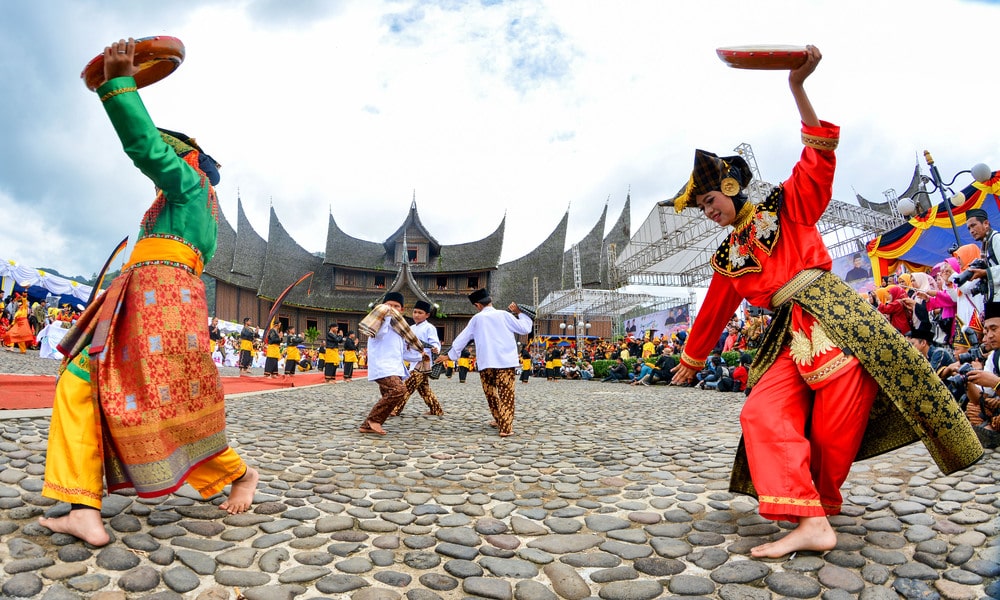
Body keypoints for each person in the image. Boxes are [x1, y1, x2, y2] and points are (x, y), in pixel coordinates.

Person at [667, 46, 981, 559]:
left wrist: (798, 89)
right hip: (789, 332)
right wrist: (691, 357)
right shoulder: (728, 256)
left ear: (729, 185)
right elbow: (714, 309)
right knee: (762, 412)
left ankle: (817, 510)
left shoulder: (786, 205)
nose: (707, 212)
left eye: (708, 201)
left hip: (837, 316)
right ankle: (809, 514)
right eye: (701, 207)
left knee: (835, 425)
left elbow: (817, 159)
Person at [39, 38, 259, 547]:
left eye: (172, 154)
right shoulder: (176, 209)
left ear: (189, 161)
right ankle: (82, 507)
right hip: (143, 303)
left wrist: (118, 84)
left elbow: (146, 148)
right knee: (86, 383)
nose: (162, 164)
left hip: (161, 309)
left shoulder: (187, 187)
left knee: (162, 403)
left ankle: (237, 473)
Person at [436, 289, 532, 437]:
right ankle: (505, 427)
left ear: (477, 305)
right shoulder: (504, 315)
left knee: (491, 393)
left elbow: (463, 338)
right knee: (506, 394)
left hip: (486, 362)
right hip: (505, 362)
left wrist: (448, 355)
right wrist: (520, 313)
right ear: (490, 301)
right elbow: (525, 328)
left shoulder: (477, 319)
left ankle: (499, 418)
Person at [358, 292, 423, 434]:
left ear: (402, 310)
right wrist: (386, 316)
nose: (392, 308)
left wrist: (420, 356)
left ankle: (368, 426)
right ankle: (373, 420)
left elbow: (403, 352)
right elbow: (379, 334)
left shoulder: (400, 329)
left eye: (396, 306)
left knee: (391, 395)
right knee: (399, 390)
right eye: (389, 305)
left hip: (395, 367)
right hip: (382, 366)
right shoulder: (377, 322)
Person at [391, 300, 444, 416]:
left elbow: (435, 343)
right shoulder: (411, 328)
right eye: (415, 312)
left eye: (420, 313)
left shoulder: (430, 328)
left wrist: (435, 348)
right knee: (424, 389)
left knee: (407, 387)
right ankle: (436, 409)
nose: (416, 315)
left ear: (427, 315)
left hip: (423, 363)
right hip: (413, 361)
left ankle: (396, 409)